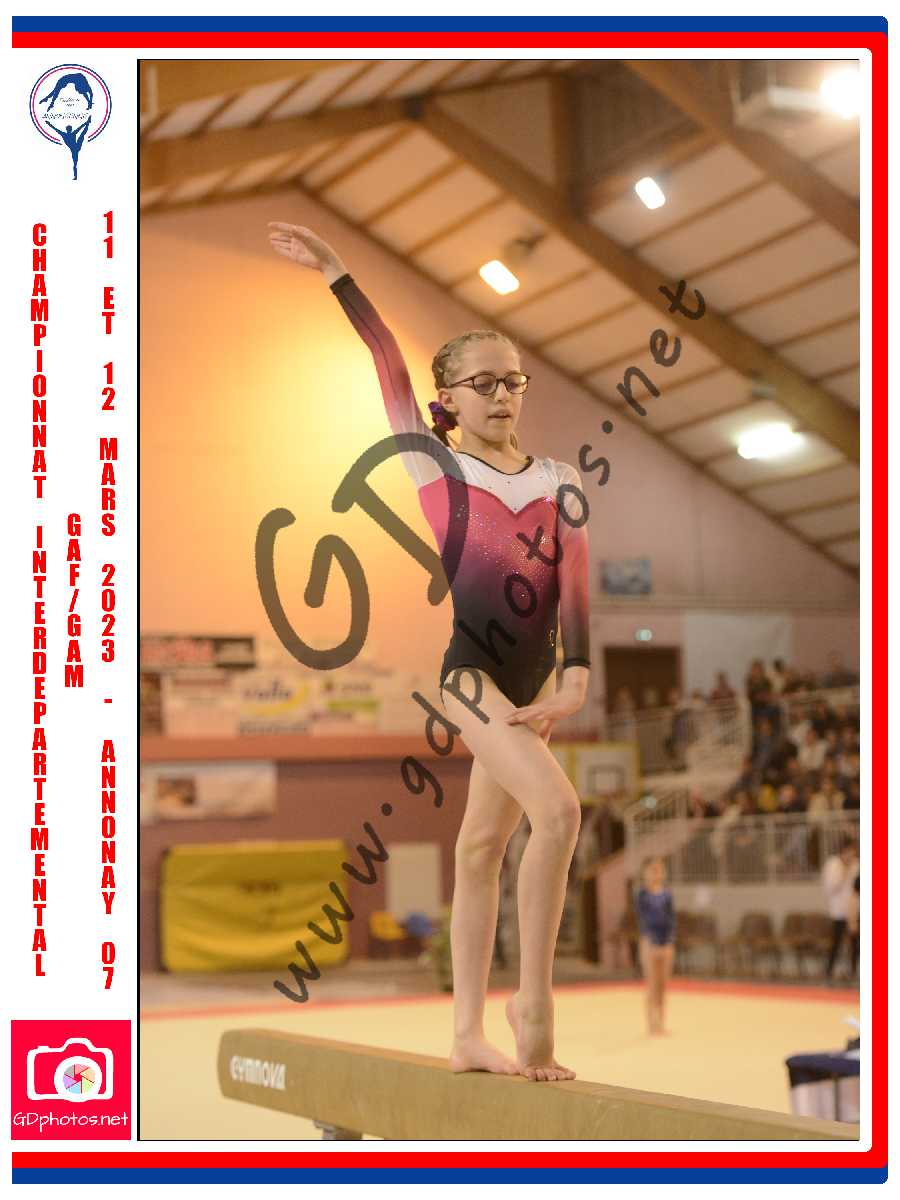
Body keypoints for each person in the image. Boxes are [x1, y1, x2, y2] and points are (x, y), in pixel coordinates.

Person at [268, 223, 590, 1082]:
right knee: (560, 814)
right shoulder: (433, 464)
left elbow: (577, 586)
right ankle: (533, 1005)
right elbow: (386, 360)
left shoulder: (560, 478)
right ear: (448, 394)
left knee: (480, 850)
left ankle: (465, 1035)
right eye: (482, 383)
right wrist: (338, 271)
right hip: (472, 677)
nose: (502, 395)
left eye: (513, 380)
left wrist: (576, 679)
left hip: (536, 685)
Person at [634, 856, 676, 1035]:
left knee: (662, 985)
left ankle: (661, 1022)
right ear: (645, 873)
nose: (656, 873)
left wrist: (670, 942)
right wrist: (650, 941)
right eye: (653, 870)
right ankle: (651, 1022)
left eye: (659, 870)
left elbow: (671, 920)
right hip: (649, 942)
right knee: (651, 984)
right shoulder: (642, 895)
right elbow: (644, 919)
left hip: (666, 943)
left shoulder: (667, 895)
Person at [822, 836, 860, 979]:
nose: (852, 855)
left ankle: (854, 971)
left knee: (855, 942)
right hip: (838, 911)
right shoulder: (833, 864)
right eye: (849, 851)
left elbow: (856, 891)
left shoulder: (857, 865)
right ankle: (829, 971)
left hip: (854, 911)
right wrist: (844, 870)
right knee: (836, 943)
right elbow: (830, 887)